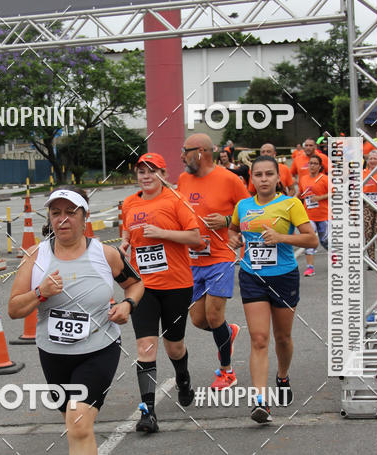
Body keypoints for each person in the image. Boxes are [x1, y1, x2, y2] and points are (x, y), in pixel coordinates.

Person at [8, 186, 144, 455]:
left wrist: (127, 306)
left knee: (79, 423)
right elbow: (14, 309)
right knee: (72, 424)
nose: (62, 219)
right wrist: (40, 294)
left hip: (99, 347)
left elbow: (135, 284)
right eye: (56, 213)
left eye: (70, 212)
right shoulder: (36, 257)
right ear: (49, 219)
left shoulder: (106, 254)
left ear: (85, 218)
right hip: (53, 353)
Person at [229, 156, 318, 422]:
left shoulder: (290, 203)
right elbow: (233, 231)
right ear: (251, 179)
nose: (264, 179)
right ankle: (260, 400)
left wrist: (281, 237)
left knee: (282, 338)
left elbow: (311, 238)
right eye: (259, 175)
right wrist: (233, 238)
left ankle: (282, 376)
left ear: (278, 178)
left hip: (283, 277)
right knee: (258, 338)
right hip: (251, 276)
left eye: (269, 174)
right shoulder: (243, 205)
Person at [120, 153, 201, 434]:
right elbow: (128, 233)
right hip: (143, 287)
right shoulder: (130, 203)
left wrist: (163, 233)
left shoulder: (176, 200)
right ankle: (148, 413)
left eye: (151, 171)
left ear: (163, 174)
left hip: (177, 284)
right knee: (145, 348)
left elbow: (197, 238)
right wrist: (124, 245)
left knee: (174, 346)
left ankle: (183, 378)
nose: (145, 176)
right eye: (141, 171)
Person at [177, 133, 249, 390]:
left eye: (185, 150)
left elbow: (251, 211)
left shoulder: (229, 179)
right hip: (193, 259)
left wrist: (229, 222)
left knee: (214, 315)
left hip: (220, 256)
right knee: (198, 320)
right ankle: (228, 333)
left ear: (200, 152)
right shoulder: (183, 179)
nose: (181, 155)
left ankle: (226, 371)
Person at [298, 154, 335, 276]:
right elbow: (300, 193)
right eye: (310, 163)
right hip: (308, 215)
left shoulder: (324, 178)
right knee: (309, 240)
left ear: (320, 167)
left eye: (315, 164)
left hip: (324, 215)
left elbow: (333, 193)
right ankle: (310, 267)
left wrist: (319, 197)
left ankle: (335, 257)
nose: (312, 166)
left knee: (325, 240)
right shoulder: (303, 178)